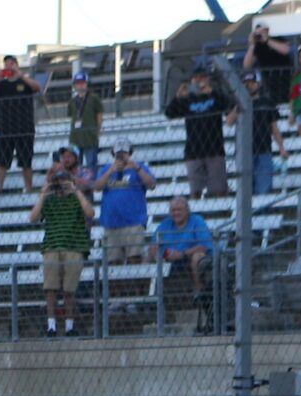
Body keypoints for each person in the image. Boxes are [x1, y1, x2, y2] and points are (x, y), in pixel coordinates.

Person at [30, 165, 94, 337]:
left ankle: (69, 326)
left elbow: (90, 213)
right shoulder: (49, 200)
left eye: (64, 181)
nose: (61, 184)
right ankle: (51, 326)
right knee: (50, 288)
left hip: (74, 246)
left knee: (69, 289)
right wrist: (44, 193)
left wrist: (75, 190)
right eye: (58, 181)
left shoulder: (76, 198)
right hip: (52, 245)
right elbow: (33, 217)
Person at [166, 67, 234, 199]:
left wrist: (213, 92)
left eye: (202, 77)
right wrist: (178, 97)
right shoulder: (188, 99)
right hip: (193, 151)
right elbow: (169, 113)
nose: (199, 81)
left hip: (214, 149)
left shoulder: (214, 96)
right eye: (196, 78)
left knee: (219, 190)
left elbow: (229, 105)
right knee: (195, 191)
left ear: (207, 79)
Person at [154, 195, 216, 330]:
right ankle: (150, 301)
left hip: (194, 258)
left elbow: (204, 246)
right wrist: (166, 254)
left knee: (197, 256)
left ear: (187, 210)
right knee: (148, 258)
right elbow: (154, 246)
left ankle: (199, 292)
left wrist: (182, 254)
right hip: (171, 261)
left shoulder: (197, 221)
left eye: (179, 210)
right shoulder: (165, 224)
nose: (176, 213)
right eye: (173, 210)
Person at [93, 145, 156, 264]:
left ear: (129, 153)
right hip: (111, 223)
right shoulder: (106, 169)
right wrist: (110, 171)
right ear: (113, 154)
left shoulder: (140, 167)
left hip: (134, 222)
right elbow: (97, 187)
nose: (121, 156)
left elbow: (151, 184)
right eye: (118, 154)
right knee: (113, 262)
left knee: (135, 259)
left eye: (124, 153)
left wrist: (136, 167)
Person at [237, 69, 290, 197]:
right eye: (246, 83)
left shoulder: (266, 102)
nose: (249, 85)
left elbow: (274, 128)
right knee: (246, 189)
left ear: (258, 84)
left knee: (264, 188)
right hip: (244, 151)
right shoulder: (239, 104)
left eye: (252, 82)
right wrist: (240, 103)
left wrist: (281, 148)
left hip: (264, 149)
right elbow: (229, 121)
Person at [0, 55, 42, 193]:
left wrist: (21, 75)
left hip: (24, 127)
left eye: (11, 64)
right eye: (6, 64)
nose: (9, 67)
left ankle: (29, 188)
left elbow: (37, 87)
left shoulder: (24, 81)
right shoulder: (2, 84)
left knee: (26, 161)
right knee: (1, 161)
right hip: (5, 128)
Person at [244, 21, 294, 106]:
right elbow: (246, 65)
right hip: (269, 84)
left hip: (284, 80)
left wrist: (267, 40)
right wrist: (252, 45)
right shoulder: (257, 47)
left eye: (261, 31)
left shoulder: (278, 39)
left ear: (267, 30)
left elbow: (286, 50)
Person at [68, 70, 104, 169]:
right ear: (75, 85)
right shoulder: (72, 101)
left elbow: (99, 115)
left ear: (87, 84)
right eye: (78, 83)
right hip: (75, 138)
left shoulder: (94, 98)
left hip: (90, 137)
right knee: (75, 166)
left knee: (91, 165)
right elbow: (72, 117)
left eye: (82, 83)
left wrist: (97, 132)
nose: (80, 86)